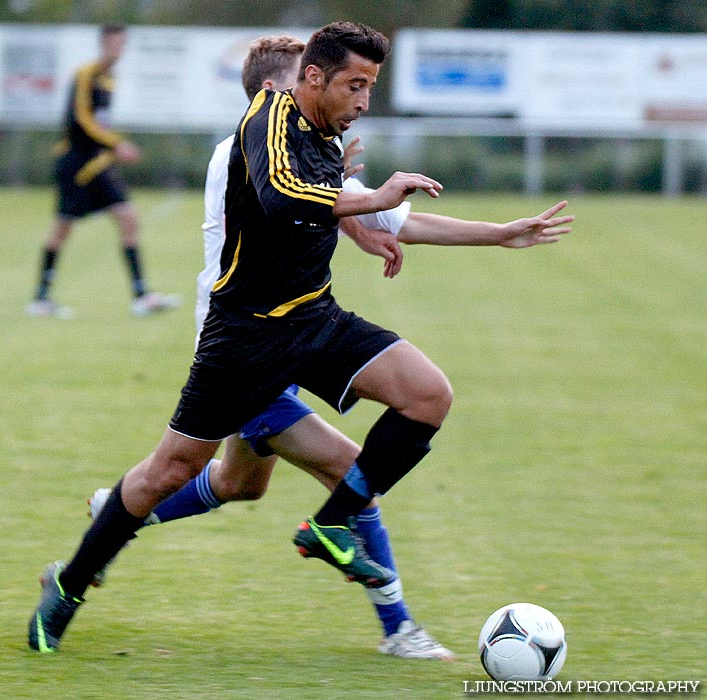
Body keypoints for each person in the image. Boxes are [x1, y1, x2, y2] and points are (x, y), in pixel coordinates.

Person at [87, 34, 572, 659]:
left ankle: (117, 515)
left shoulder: (307, 145)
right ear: (278, 89)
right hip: (245, 345)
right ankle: (400, 628)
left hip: (294, 335)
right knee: (350, 469)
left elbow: (392, 221)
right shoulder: (239, 154)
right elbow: (291, 208)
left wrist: (498, 233)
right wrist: (352, 201)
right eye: (303, 83)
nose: (324, 99)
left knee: (241, 485)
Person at [27, 23, 179, 319]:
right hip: (75, 165)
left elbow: (101, 121)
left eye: (122, 44)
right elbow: (80, 120)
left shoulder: (111, 79)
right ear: (103, 44)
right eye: (113, 44)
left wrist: (111, 149)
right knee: (62, 227)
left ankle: (141, 296)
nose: (117, 49)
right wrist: (117, 144)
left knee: (128, 218)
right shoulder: (87, 74)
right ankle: (41, 298)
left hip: (99, 165)